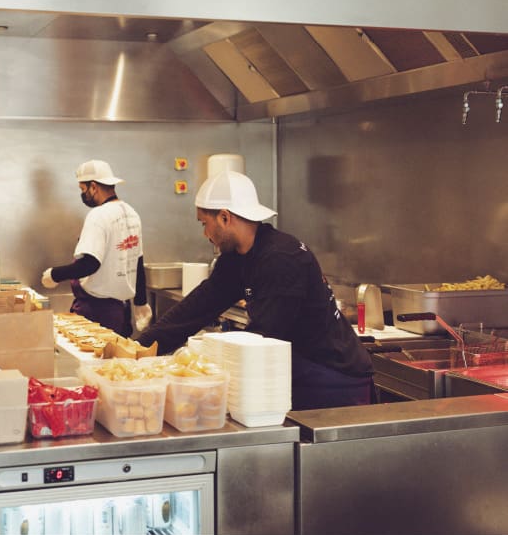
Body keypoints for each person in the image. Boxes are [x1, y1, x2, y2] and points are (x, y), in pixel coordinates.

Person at [136, 170, 373, 411]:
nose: (205, 234)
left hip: (333, 379)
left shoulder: (282, 258)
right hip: (298, 372)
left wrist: (202, 370)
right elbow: (197, 308)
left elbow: (264, 337)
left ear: (225, 218)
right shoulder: (238, 257)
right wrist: (137, 349)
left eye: (204, 224)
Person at [42, 160, 152, 338]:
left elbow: (90, 264)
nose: (83, 194)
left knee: (94, 363)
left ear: (93, 187)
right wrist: (140, 301)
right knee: (114, 361)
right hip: (122, 312)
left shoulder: (99, 216)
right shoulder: (132, 213)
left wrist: (55, 274)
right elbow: (137, 261)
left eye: (83, 189)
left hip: (97, 311)